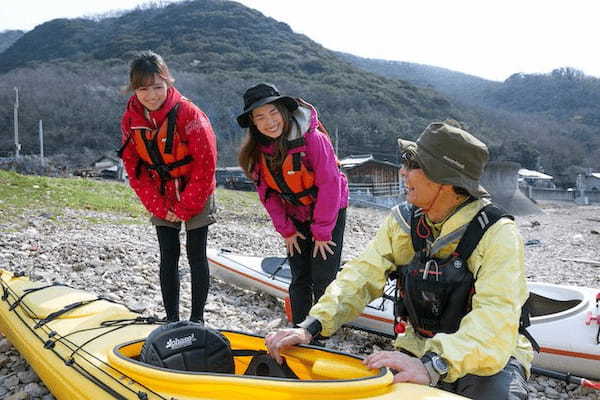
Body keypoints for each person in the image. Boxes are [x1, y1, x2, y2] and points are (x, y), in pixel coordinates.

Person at [265, 122, 534, 399]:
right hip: (418, 348)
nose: (403, 172)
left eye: (413, 164)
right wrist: (311, 326)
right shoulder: (403, 222)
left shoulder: (497, 233)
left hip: (487, 359)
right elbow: (362, 276)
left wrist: (433, 366)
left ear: (443, 179)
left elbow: (495, 318)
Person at [237, 83, 348, 326]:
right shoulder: (257, 153)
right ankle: (299, 327)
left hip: (329, 211)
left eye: (273, 112)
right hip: (294, 213)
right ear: (253, 123)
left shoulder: (314, 139)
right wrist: (286, 230)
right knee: (299, 276)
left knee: (323, 276)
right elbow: (267, 194)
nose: (269, 122)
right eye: (260, 117)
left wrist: (321, 232)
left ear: (284, 111)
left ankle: (322, 331)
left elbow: (330, 185)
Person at [119, 50, 217, 323]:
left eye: (157, 87)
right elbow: (134, 168)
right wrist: (160, 206)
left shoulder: (189, 113)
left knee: (196, 254)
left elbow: (206, 164)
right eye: (143, 88)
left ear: (168, 83)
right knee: (168, 254)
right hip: (159, 192)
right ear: (134, 89)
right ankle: (172, 318)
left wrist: (186, 206)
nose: (151, 95)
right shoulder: (130, 120)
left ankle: (198, 319)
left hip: (196, 189)